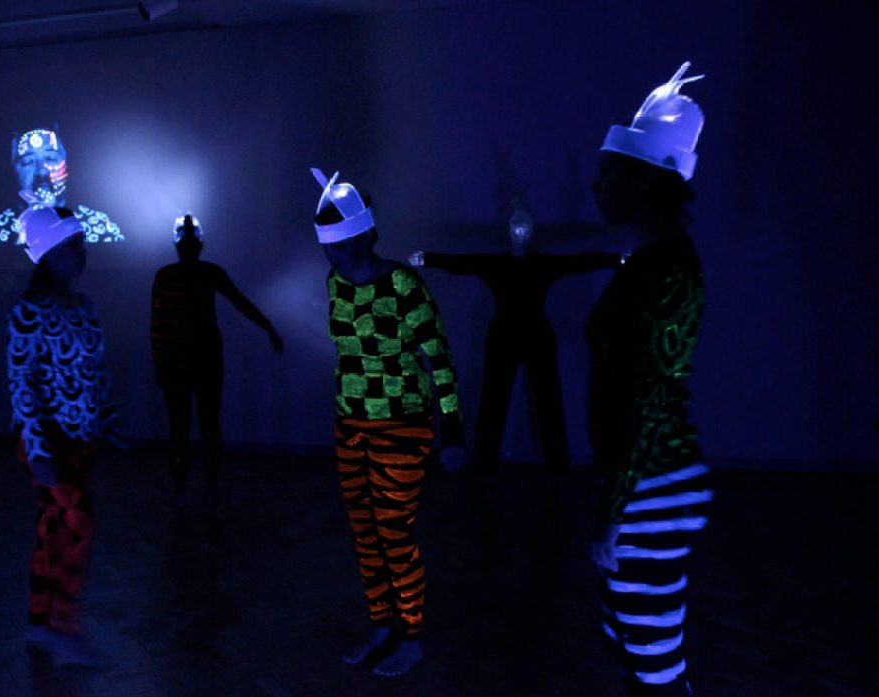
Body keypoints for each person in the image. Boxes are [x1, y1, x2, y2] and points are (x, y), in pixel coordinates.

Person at [585, 63, 713, 696]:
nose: (595, 184)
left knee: (650, 655)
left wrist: (616, 507)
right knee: (634, 640)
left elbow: (650, 395)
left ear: (642, 180)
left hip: (652, 483)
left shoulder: (662, 269)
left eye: (607, 172)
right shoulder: (654, 261)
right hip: (647, 480)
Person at [311, 168, 465, 677]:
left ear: (363, 234)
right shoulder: (335, 283)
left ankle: (411, 639)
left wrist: (453, 431)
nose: (331, 254)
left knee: (394, 532)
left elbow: (439, 358)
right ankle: (382, 626)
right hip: (350, 423)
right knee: (365, 532)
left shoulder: (403, 284)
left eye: (338, 243)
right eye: (326, 245)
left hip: (403, 423)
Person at [409, 201, 619, 478]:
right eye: (516, 226)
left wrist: (615, 259)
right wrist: (429, 258)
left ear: (530, 231)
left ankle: (545, 468)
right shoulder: (514, 264)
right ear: (510, 230)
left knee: (538, 402)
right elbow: (463, 263)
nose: (520, 232)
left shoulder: (530, 264)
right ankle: (495, 467)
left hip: (523, 338)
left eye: (524, 227)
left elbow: (579, 262)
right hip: (513, 338)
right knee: (503, 402)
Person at [7, 192, 122, 667]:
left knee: (53, 528)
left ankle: (40, 623)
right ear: (48, 253)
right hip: (49, 440)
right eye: (73, 245)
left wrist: (108, 418)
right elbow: (21, 384)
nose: (82, 252)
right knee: (77, 524)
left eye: (81, 243)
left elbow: (97, 370)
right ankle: (63, 630)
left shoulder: (84, 306)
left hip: (82, 439)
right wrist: (37, 449)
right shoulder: (28, 312)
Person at [150, 213, 283, 507]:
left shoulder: (166, 276)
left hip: (178, 358)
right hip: (204, 356)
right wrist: (268, 327)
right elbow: (239, 302)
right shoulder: (209, 272)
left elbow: (157, 323)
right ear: (200, 244)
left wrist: (158, 361)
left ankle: (182, 488)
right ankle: (207, 487)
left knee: (181, 428)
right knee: (208, 425)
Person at [0, 127, 122, 248]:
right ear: (15, 170)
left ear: (67, 163)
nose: (41, 171)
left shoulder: (100, 228)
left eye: (51, 158)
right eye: (28, 162)